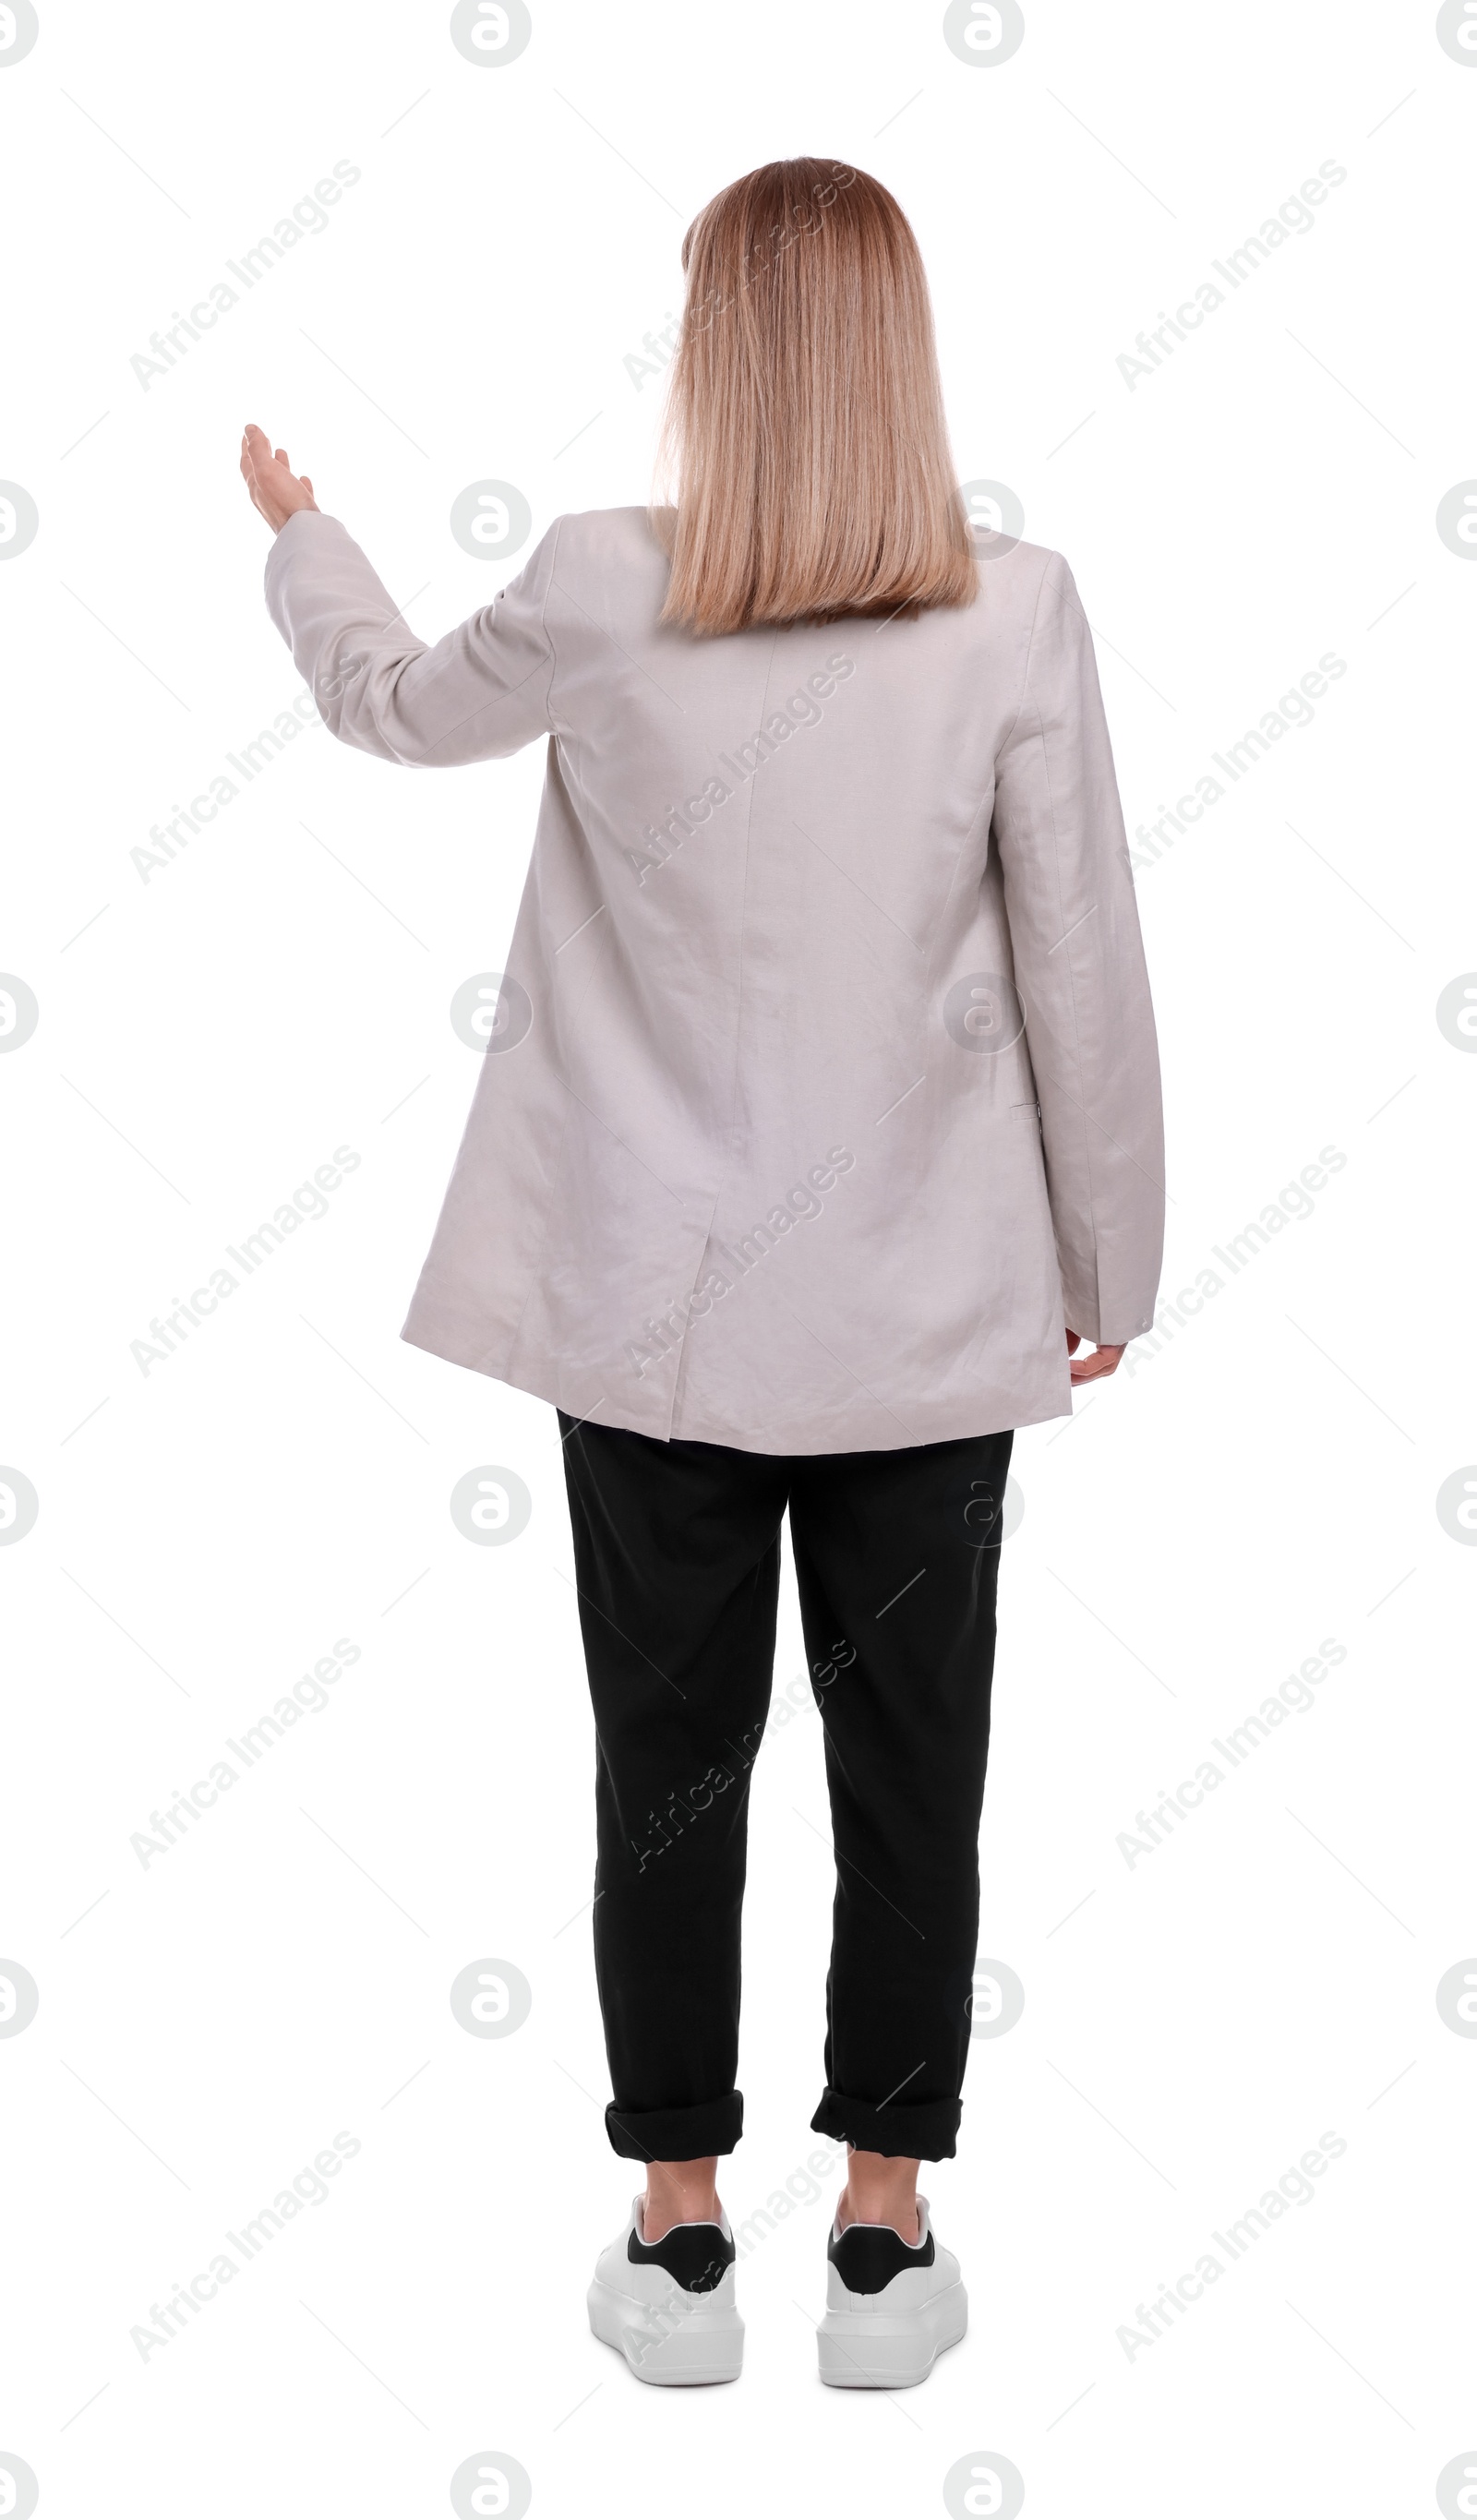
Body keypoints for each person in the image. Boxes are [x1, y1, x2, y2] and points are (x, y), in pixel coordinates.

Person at [241, 153, 1163, 2392]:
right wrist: (1109, 1256)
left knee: (665, 1754)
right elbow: (1079, 959)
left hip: (652, 1316)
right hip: (932, 1314)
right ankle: (880, 2230)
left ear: (717, 356)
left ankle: (672, 2238)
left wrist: (302, 542)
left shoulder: (600, 586)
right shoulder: (1012, 607)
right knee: (910, 1768)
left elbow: (388, 706)